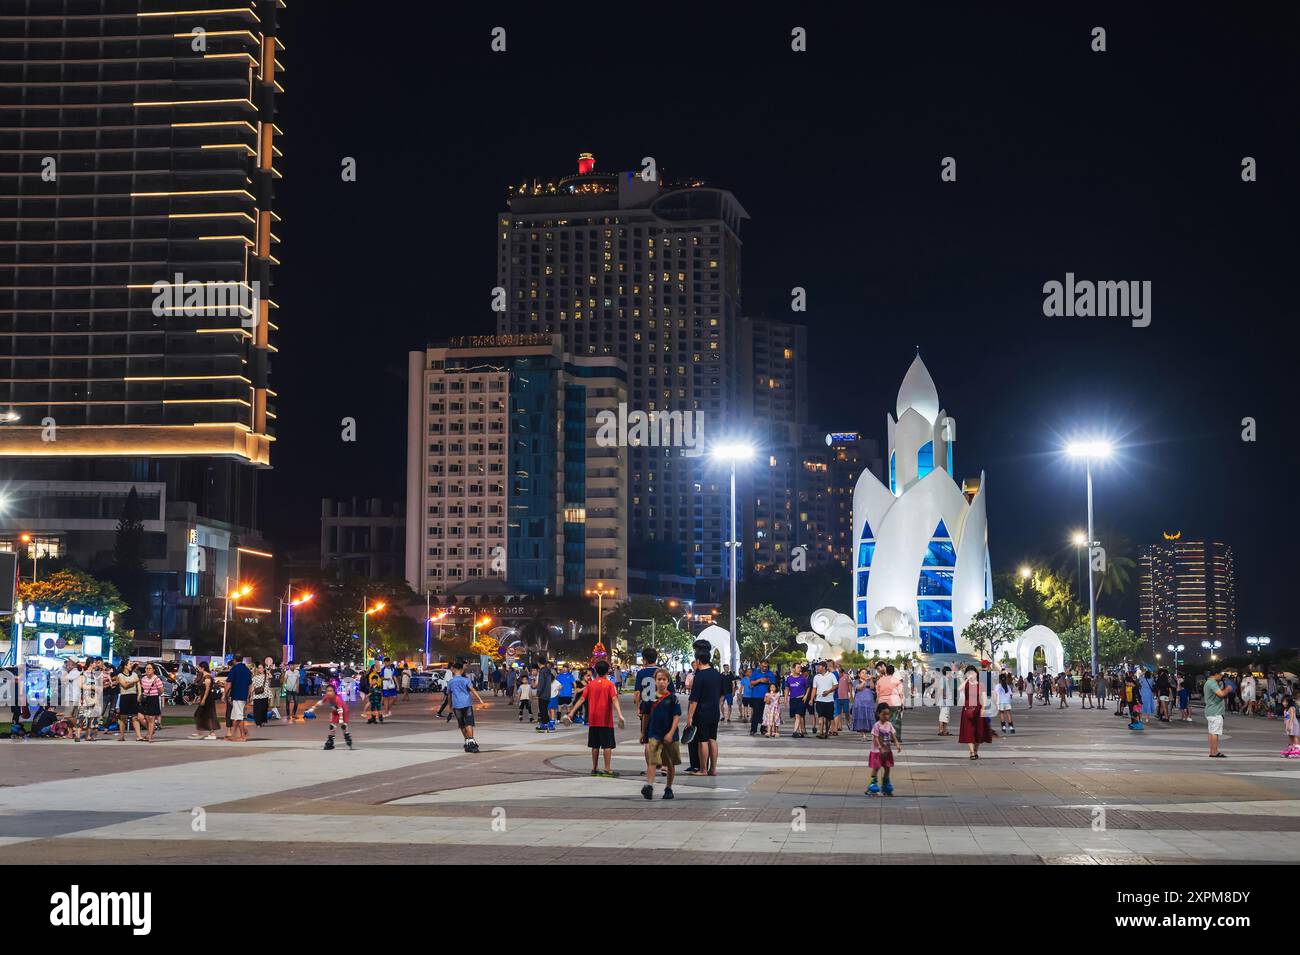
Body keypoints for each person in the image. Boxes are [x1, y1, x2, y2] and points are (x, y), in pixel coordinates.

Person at [565, 659, 624, 776]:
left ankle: (594, 768)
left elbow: (581, 699)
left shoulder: (590, 685)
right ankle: (607, 769)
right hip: (606, 720)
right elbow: (614, 699)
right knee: (607, 745)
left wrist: (571, 712)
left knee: (595, 745)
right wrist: (620, 715)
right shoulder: (610, 685)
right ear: (608, 671)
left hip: (593, 720)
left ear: (596, 671)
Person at [641, 669, 681, 800]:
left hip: (670, 736)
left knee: (670, 763)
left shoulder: (673, 698)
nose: (662, 682)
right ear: (655, 681)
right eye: (659, 679)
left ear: (668, 682)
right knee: (652, 761)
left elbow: (676, 717)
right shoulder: (650, 698)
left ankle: (668, 787)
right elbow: (645, 716)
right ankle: (649, 785)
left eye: (664, 679)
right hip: (654, 733)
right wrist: (643, 733)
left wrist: (670, 733)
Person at [685, 647, 723, 775]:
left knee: (703, 741)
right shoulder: (717, 674)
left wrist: (689, 716)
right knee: (713, 739)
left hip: (702, 712)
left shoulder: (699, 676)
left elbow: (694, 699)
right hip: (714, 712)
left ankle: (703, 769)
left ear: (698, 660)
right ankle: (713, 769)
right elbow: (721, 694)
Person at [446, 661, 485, 753]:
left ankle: (467, 741)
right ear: (461, 670)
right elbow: (472, 689)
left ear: (454, 670)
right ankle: (471, 740)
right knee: (469, 723)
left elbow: (449, 696)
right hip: (467, 704)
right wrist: (479, 699)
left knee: (462, 724)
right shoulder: (466, 680)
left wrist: (450, 708)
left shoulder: (451, 682)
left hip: (457, 706)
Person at [301, 683, 353, 750]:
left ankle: (347, 738)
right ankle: (330, 741)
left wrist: (341, 718)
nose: (329, 692)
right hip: (335, 711)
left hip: (343, 712)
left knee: (343, 726)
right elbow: (321, 702)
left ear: (334, 691)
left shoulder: (337, 698)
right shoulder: (327, 696)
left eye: (331, 691)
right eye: (327, 691)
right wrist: (312, 708)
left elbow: (340, 709)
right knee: (332, 726)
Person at [865, 704, 901, 796]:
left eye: (888, 714)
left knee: (887, 768)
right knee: (876, 768)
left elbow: (893, 735)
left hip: (887, 751)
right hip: (877, 752)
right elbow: (876, 737)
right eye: (884, 714)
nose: (886, 716)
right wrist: (880, 747)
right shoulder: (876, 725)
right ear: (878, 714)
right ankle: (872, 784)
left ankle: (885, 785)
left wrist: (896, 743)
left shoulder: (889, 724)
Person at [958, 667, 991, 759]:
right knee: (969, 732)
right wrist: (967, 679)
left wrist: (984, 708)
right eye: (969, 673)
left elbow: (984, 697)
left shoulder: (981, 685)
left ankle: (975, 750)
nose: (971, 674)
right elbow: (959, 689)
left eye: (973, 673)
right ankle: (972, 752)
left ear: (976, 674)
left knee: (979, 732)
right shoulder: (966, 685)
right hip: (967, 710)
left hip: (978, 709)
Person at [223, 654, 252, 742]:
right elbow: (250, 685)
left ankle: (235, 735)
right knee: (238, 716)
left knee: (238, 716)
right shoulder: (247, 670)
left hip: (237, 695)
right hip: (243, 695)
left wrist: (224, 694)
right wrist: (249, 696)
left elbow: (229, 683)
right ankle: (242, 735)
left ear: (234, 660)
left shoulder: (234, 669)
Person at [1203, 669, 1231, 757]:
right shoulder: (1212, 683)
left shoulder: (1207, 683)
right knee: (1215, 733)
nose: (1221, 676)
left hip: (1210, 711)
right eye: (1220, 675)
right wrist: (1227, 689)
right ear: (1216, 674)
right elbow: (1221, 694)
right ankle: (1215, 752)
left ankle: (1212, 751)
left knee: (1211, 732)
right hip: (1216, 712)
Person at [190, 662, 220, 740]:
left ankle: (211, 733)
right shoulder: (203, 676)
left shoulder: (207, 677)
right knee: (201, 715)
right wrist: (199, 698)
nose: (198, 669)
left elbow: (207, 690)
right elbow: (201, 690)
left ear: (203, 668)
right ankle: (201, 732)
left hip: (208, 699)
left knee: (207, 715)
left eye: (199, 668)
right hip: (204, 698)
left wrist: (203, 699)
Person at [115, 661, 142, 742]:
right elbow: (124, 685)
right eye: (130, 664)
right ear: (125, 666)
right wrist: (133, 681)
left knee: (135, 717)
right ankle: (122, 736)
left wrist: (139, 695)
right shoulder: (120, 675)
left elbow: (139, 685)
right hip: (124, 697)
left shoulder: (134, 674)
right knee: (123, 717)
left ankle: (139, 736)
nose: (131, 665)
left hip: (133, 696)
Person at [138, 663, 164, 742]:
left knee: (151, 718)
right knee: (141, 717)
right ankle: (151, 730)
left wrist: (156, 694)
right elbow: (142, 688)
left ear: (153, 670)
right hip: (145, 699)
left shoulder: (157, 679)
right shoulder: (143, 678)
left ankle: (149, 736)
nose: (147, 670)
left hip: (153, 698)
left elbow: (161, 690)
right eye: (146, 668)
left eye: (149, 668)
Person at [811, 660, 837, 739]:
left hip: (829, 700)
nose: (817, 668)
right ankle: (820, 732)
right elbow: (814, 689)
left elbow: (836, 685)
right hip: (819, 700)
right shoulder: (816, 677)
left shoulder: (831, 675)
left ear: (824, 667)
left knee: (828, 718)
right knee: (820, 716)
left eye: (819, 666)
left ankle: (826, 732)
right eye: (817, 667)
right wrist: (811, 699)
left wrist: (828, 691)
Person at [748, 661, 774, 736]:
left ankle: (763, 729)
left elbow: (773, 684)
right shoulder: (755, 673)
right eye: (763, 666)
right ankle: (753, 729)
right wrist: (759, 680)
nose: (765, 668)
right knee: (756, 713)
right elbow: (751, 683)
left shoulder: (770, 673)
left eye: (766, 666)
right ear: (760, 666)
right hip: (756, 696)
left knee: (765, 714)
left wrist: (768, 681)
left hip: (767, 697)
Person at [786, 663, 810, 738]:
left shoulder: (803, 678)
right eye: (798, 667)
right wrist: (786, 697)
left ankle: (794, 732)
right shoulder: (789, 678)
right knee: (795, 717)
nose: (799, 669)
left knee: (798, 715)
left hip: (801, 699)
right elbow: (787, 688)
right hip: (793, 699)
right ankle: (800, 731)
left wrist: (806, 695)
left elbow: (808, 687)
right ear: (793, 669)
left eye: (800, 667)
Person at [851, 668, 876, 740]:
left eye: (865, 672)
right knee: (861, 718)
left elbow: (872, 687)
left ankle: (873, 735)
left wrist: (870, 679)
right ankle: (863, 735)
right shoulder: (856, 681)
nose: (864, 674)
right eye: (863, 672)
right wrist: (865, 681)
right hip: (860, 703)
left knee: (871, 717)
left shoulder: (869, 680)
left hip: (869, 703)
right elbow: (859, 688)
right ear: (859, 674)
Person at [535, 660, 556, 732]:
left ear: (539, 663)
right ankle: (548, 725)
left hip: (542, 693)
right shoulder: (548, 671)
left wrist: (538, 692)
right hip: (548, 693)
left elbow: (541, 683)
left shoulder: (542, 671)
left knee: (542, 709)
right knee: (545, 709)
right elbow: (552, 678)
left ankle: (544, 725)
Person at [251, 663, 272, 727]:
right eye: (259, 668)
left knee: (264, 709)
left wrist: (267, 671)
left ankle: (262, 721)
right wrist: (251, 695)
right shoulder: (255, 677)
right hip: (257, 695)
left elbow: (271, 676)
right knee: (257, 710)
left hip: (265, 695)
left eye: (261, 668)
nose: (260, 669)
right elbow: (253, 686)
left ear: (263, 669)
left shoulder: (266, 676)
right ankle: (258, 723)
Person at [937, 666, 953, 735]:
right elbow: (942, 689)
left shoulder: (945, 679)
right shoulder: (943, 679)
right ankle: (941, 730)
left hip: (945, 701)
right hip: (945, 701)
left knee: (945, 716)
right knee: (944, 716)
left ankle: (944, 730)